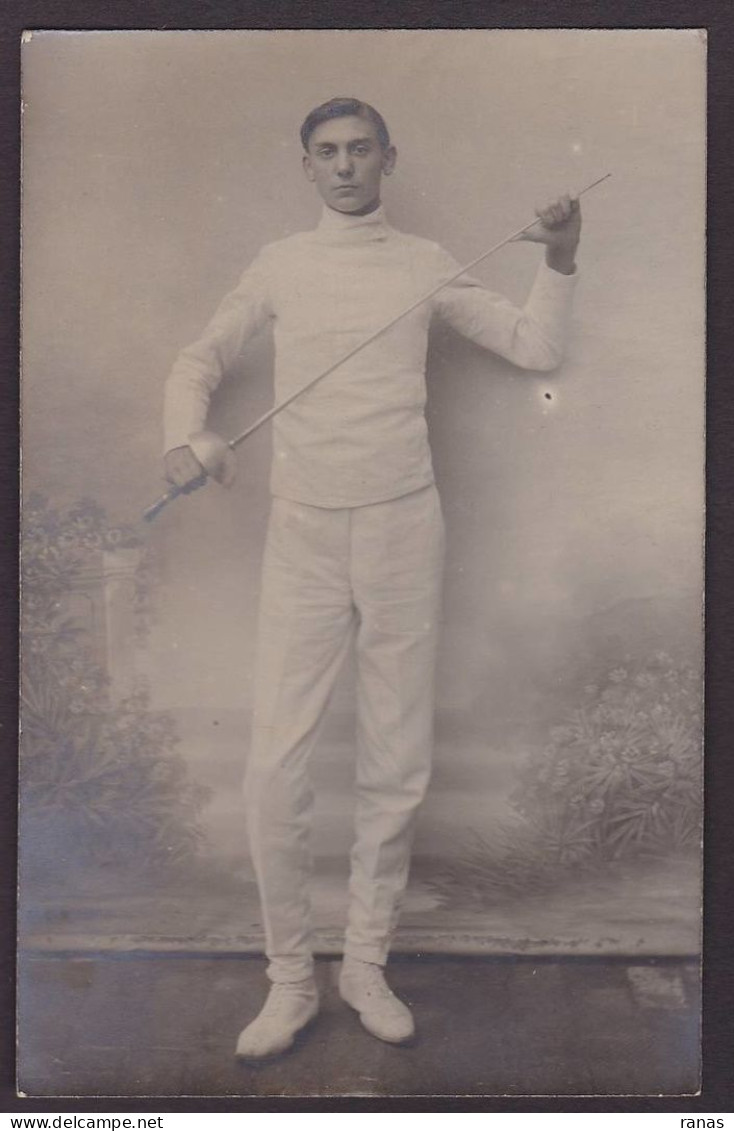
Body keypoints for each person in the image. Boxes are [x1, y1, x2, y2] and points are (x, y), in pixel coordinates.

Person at [162, 97, 581, 1060]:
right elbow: (201, 357)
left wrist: (558, 256)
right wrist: (187, 438)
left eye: (361, 150)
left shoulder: (426, 262)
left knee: (395, 760)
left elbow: (537, 348)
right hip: (304, 531)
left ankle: (364, 963)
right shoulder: (281, 263)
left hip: (403, 525)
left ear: (390, 157)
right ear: (305, 167)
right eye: (327, 153)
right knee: (276, 759)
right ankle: (288, 979)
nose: (346, 166)